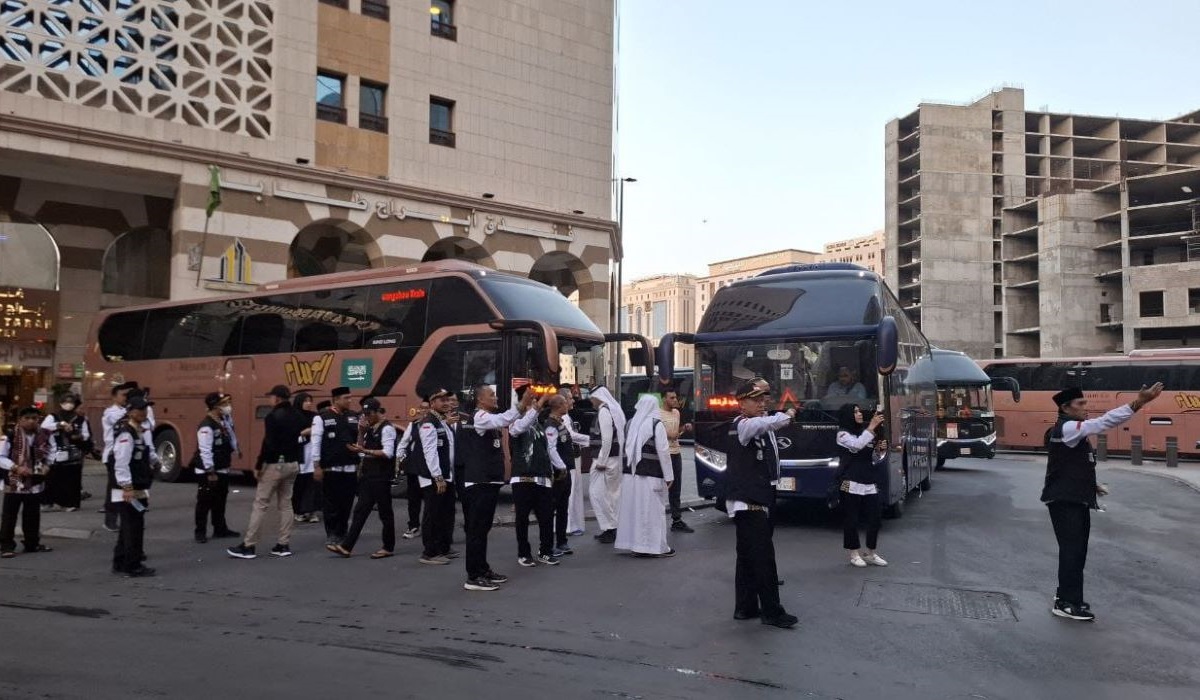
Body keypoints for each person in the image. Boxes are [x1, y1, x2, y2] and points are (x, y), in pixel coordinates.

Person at [1042, 382, 1163, 622]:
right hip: (1065, 500)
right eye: (1080, 404)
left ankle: (1067, 597)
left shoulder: (1069, 429)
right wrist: (1139, 402)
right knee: (1072, 551)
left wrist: (1092, 486)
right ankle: (1067, 602)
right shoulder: (1068, 428)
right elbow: (1105, 422)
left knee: (1077, 551)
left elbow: (1069, 464)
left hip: (1073, 498)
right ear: (1066, 408)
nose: (1085, 407)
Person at [726, 378, 798, 629]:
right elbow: (766, 423)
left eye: (763, 399)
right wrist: (787, 414)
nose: (761, 404)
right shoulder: (744, 425)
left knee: (747, 558)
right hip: (749, 501)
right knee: (764, 558)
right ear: (741, 403)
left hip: (756, 498)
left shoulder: (756, 427)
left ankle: (745, 607)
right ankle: (772, 611)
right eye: (755, 400)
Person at [227, 385, 305, 560]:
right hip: (293, 463)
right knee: (286, 504)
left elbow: (268, 444)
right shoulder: (298, 416)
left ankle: (249, 545)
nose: (270, 400)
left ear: (277, 398)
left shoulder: (272, 417)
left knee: (261, 504)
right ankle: (283, 544)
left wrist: (259, 464)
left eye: (271, 397)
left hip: (275, 464)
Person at [459, 384, 524, 591]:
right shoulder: (480, 417)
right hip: (479, 482)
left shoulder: (487, 419)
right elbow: (503, 419)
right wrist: (520, 406)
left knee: (483, 529)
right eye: (492, 395)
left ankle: (483, 568)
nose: (496, 398)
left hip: (489, 481)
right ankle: (473, 576)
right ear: (480, 400)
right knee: (476, 530)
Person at [333, 397, 398, 559]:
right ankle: (346, 546)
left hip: (381, 477)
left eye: (369, 413)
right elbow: (361, 449)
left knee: (385, 513)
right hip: (369, 476)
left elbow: (387, 453)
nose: (366, 417)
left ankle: (388, 546)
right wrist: (361, 432)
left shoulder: (387, 429)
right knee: (360, 511)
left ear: (378, 412)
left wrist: (365, 450)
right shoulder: (369, 429)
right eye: (364, 414)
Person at [614, 395, 675, 558]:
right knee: (653, 511)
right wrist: (669, 476)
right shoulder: (656, 425)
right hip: (651, 476)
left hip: (630, 476)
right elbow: (663, 452)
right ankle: (656, 546)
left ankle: (636, 545)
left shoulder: (629, 424)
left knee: (633, 509)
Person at [408, 388, 458, 565]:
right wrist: (437, 477)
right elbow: (430, 451)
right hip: (434, 477)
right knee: (433, 514)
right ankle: (429, 552)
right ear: (432, 404)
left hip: (446, 475)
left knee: (445, 513)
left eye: (447, 399)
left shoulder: (442, 421)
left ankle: (443, 547)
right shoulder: (429, 422)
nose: (446, 403)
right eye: (441, 400)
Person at [834, 404, 888, 568]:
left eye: (859, 411)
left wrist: (880, 450)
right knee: (852, 519)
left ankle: (871, 553)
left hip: (869, 480)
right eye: (855, 411)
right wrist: (872, 427)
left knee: (875, 518)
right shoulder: (842, 434)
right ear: (848, 415)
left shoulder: (867, 431)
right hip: (851, 481)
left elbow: (874, 458)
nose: (859, 414)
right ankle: (854, 553)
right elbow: (856, 445)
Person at [508, 386, 557, 567]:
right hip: (523, 479)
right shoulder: (515, 420)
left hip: (542, 478)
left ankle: (545, 551)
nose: (536, 400)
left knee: (546, 517)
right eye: (532, 397)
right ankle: (524, 553)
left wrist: (552, 471)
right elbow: (518, 429)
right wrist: (540, 403)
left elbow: (546, 449)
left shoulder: (538, 423)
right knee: (522, 519)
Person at [109, 395, 154, 577]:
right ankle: (132, 565)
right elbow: (121, 463)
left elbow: (145, 453)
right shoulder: (126, 434)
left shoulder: (139, 431)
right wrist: (126, 488)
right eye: (140, 409)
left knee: (129, 527)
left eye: (145, 409)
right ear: (130, 412)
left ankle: (120, 562)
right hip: (129, 488)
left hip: (138, 485)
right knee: (133, 527)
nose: (144, 412)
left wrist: (155, 462)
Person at [312, 387, 361, 547]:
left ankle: (342, 531)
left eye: (350, 397)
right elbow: (316, 442)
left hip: (350, 468)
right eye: (346, 398)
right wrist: (316, 466)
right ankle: (332, 533)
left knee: (346, 503)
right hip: (331, 469)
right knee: (331, 503)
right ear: (336, 399)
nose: (349, 400)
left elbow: (360, 439)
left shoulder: (354, 416)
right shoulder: (322, 418)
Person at [0, 408, 52, 557]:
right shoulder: (10, 435)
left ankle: (32, 543)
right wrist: (16, 467)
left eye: (34, 418)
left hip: (35, 480)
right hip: (14, 480)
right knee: (10, 515)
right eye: (27, 418)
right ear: (20, 419)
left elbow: (52, 451)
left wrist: (48, 465)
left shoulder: (44, 434)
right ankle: (6, 546)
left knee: (32, 514)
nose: (31, 421)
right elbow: (1, 457)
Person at [191, 392, 240, 544]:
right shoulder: (206, 425)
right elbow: (205, 450)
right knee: (204, 501)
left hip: (222, 467)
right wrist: (210, 471)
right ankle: (200, 531)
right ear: (215, 406)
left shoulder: (224, 421)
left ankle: (220, 528)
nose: (228, 406)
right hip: (209, 470)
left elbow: (230, 437)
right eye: (224, 404)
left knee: (220, 500)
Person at [546, 395, 588, 556]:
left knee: (563, 507)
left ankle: (562, 542)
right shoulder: (551, 425)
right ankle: (550, 544)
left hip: (566, 471)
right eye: (565, 402)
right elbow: (551, 449)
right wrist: (561, 467)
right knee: (554, 507)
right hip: (558, 473)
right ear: (558, 406)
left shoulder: (561, 422)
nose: (569, 404)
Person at [39, 393, 89, 512]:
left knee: (71, 480)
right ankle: (48, 502)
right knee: (52, 479)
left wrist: (78, 436)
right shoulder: (53, 416)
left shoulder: (80, 419)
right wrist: (59, 425)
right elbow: (43, 428)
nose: (69, 404)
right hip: (55, 452)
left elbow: (86, 435)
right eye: (66, 402)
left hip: (73, 453)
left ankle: (68, 503)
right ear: (61, 403)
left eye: (71, 402)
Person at [587, 386, 624, 544]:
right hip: (614, 459)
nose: (591, 402)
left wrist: (601, 461)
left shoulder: (604, 411)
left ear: (598, 397)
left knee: (597, 494)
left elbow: (607, 439)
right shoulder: (613, 409)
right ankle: (614, 528)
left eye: (592, 398)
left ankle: (610, 528)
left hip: (605, 461)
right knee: (612, 495)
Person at [101, 381, 136, 531]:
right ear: (114, 397)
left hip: (128, 453)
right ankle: (110, 520)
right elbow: (120, 419)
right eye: (123, 395)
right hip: (113, 454)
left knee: (129, 486)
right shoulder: (110, 412)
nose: (126, 398)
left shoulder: (130, 411)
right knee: (115, 489)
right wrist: (132, 407)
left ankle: (129, 519)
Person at [661, 388, 694, 533]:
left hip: (676, 453)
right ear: (664, 399)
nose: (675, 400)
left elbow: (676, 433)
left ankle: (677, 519)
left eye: (676, 397)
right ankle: (657, 517)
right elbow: (670, 434)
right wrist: (679, 432)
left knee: (676, 488)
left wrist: (683, 428)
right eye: (672, 398)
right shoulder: (657, 414)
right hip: (663, 454)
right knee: (661, 487)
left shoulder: (676, 413)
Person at [397, 401, 429, 540]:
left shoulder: (438, 424)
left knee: (430, 501)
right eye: (422, 408)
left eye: (427, 408)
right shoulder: (413, 425)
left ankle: (430, 528)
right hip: (414, 468)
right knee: (413, 500)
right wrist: (399, 460)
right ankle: (413, 526)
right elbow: (403, 444)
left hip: (430, 470)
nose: (424, 411)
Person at [291, 393, 321, 524]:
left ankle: (311, 511)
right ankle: (298, 511)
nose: (309, 403)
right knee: (299, 484)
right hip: (300, 453)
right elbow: (291, 436)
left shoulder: (316, 417)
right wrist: (305, 432)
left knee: (313, 484)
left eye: (310, 400)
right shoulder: (294, 416)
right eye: (305, 401)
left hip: (313, 452)